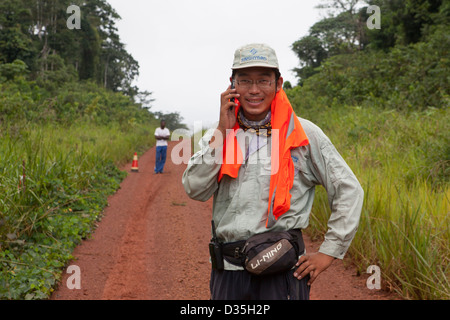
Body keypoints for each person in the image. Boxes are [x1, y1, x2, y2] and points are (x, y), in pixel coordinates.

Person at [182, 43, 364, 300]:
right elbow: (195, 189)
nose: (254, 90)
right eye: (245, 81)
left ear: (278, 84)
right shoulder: (221, 132)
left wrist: (329, 252)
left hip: (281, 275)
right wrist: (222, 132)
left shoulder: (303, 133)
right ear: (232, 84)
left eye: (263, 81)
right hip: (228, 273)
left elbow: (348, 189)